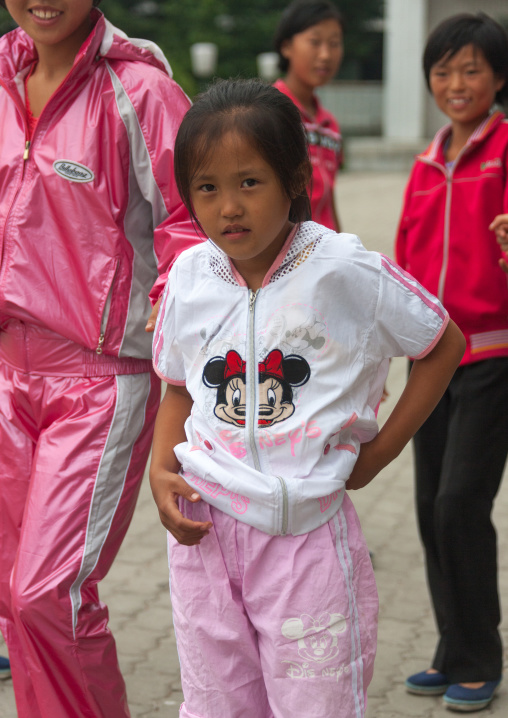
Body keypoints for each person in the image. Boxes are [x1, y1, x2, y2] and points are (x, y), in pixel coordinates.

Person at [149, 77, 465, 718]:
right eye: (207, 188)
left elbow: (442, 343)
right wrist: (160, 469)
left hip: (305, 543)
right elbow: (178, 382)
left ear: (296, 180)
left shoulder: (343, 268)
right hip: (204, 535)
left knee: (314, 706)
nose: (228, 207)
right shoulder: (188, 276)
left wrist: (376, 455)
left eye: (249, 182)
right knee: (217, 706)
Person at [0, 1, 199, 716]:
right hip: (6, 374)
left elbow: (193, 222)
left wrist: (183, 345)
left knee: (49, 595)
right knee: (13, 601)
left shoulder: (140, 90)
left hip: (100, 378)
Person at [394, 12, 508, 713]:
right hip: (429, 360)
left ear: (497, 77)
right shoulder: (428, 158)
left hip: (494, 352)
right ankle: (450, 648)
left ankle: (480, 657)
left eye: (471, 69)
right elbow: (405, 258)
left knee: (461, 503)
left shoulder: (506, 149)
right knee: (429, 507)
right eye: (443, 70)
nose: (456, 83)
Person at [273, 0, 343, 231]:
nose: (325, 55)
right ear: (286, 47)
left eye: (334, 44)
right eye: (315, 42)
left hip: (324, 250)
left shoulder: (329, 123)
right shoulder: (269, 111)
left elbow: (329, 198)